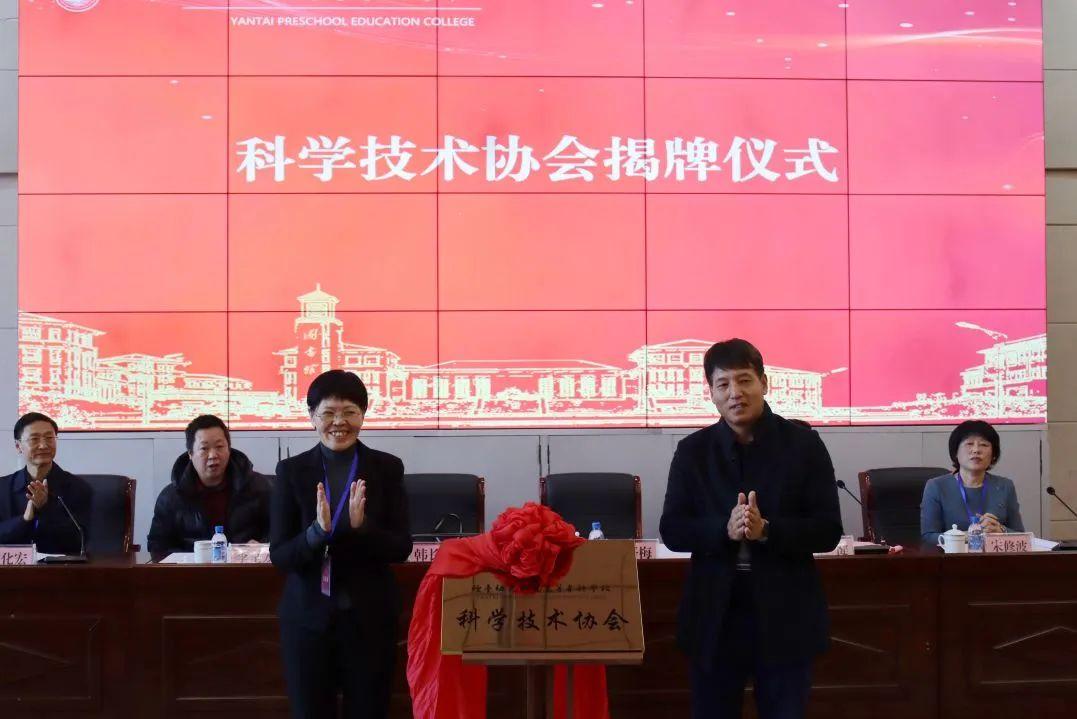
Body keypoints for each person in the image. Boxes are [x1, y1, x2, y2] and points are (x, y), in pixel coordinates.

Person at [659, 339, 843, 719]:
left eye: (744, 380)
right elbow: (673, 530)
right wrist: (723, 530)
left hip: (785, 612)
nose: (735, 393)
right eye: (723, 384)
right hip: (715, 614)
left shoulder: (804, 446)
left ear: (764, 382)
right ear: (711, 393)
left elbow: (827, 530)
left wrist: (767, 531)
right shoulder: (693, 451)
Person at [271, 370, 412, 719]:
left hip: (369, 618)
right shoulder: (291, 472)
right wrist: (315, 533)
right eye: (329, 413)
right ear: (312, 417)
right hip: (307, 619)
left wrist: (363, 529)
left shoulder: (387, 468)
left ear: (363, 415)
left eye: (349, 412)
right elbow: (281, 555)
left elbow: (401, 546)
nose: (339, 423)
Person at [147, 414, 271, 555]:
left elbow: (279, 534)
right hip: (193, 568)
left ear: (229, 449)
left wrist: (262, 547)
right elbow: (157, 546)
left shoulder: (260, 488)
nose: (213, 455)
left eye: (219, 446)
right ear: (190, 454)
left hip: (247, 565)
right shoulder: (170, 498)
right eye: (204, 448)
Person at [920, 420, 1024, 546]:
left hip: (994, 557)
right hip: (952, 556)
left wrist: (1001, 531)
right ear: (955, 452)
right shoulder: (936, 486)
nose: (976, 450)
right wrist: (967, 536)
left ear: (993, 454)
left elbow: (1021, 536)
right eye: (969, 444)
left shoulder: (1005, 486)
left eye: (984, 445)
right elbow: (928, 537)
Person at [0, 412, 92, 554]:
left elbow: (78, 542)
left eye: (49, 438)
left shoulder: (78, 488)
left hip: (59, 567)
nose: (43, 445)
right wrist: (25, 519)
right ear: (18, 446)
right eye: (34, 439)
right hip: (12, 566)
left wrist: (45, 509)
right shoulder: (3, 488)